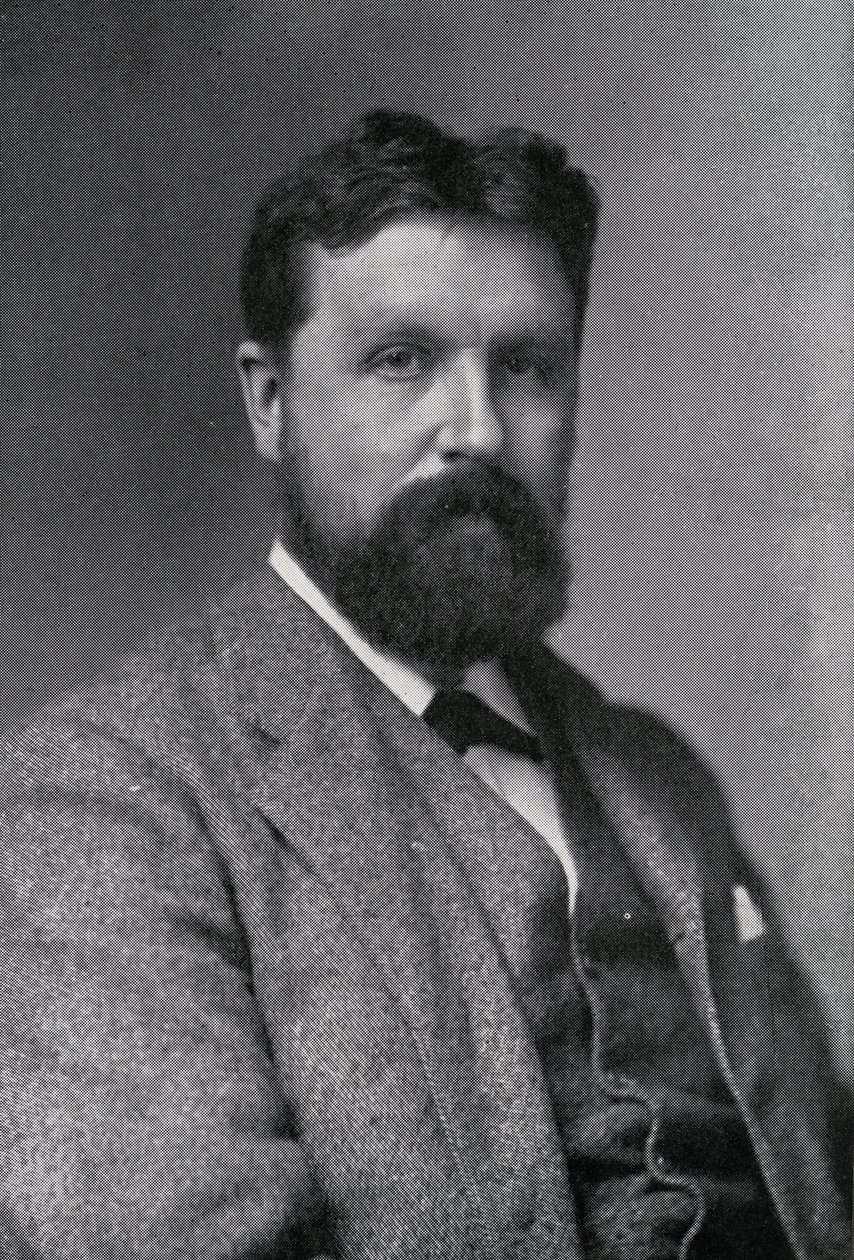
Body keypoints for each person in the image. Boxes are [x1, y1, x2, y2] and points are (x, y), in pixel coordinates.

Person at [0, 111, 848, 1260]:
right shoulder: (98, 802)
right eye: (400, 360)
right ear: (269, 401)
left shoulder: (654, 772)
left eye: (526, 366)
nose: (478, 430)